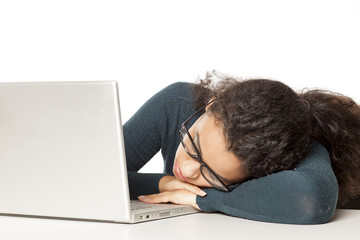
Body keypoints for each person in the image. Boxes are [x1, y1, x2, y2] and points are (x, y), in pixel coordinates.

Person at [123, 71, 360, 224]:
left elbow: (311, 199)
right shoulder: (175, 104)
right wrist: (163, 183)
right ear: (213, 103)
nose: (186, 168)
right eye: (193, 142)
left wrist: (204, 198)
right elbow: (90, 173)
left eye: (211, 173)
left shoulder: (287, 150)